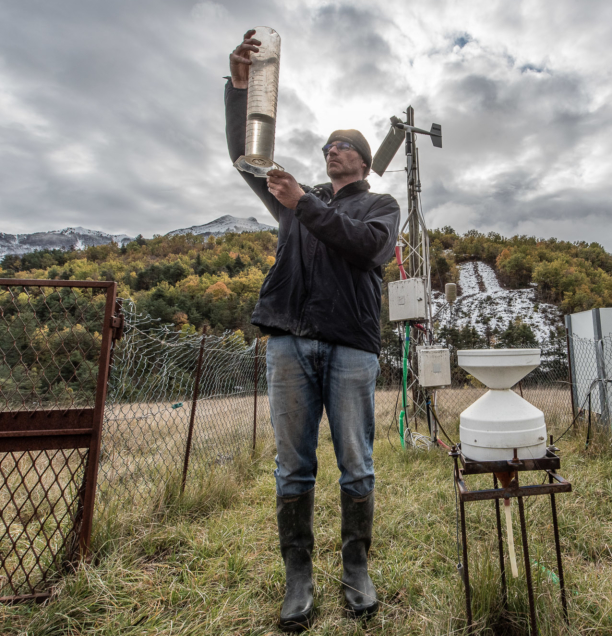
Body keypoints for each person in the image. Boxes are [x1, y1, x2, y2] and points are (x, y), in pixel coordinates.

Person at [226, 29, 400, 632]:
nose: (331, 150)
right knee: (293, 467)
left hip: (351, 346)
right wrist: (241, 91)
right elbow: (245, 159)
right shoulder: (296, 199)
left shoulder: (379, 207)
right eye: (326, 145)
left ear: (364, 160)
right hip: (289, 343)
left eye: (343, 146)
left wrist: (305, 203)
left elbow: (367, 251)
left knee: (358, 464)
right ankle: (297, 577)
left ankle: (356, 569)